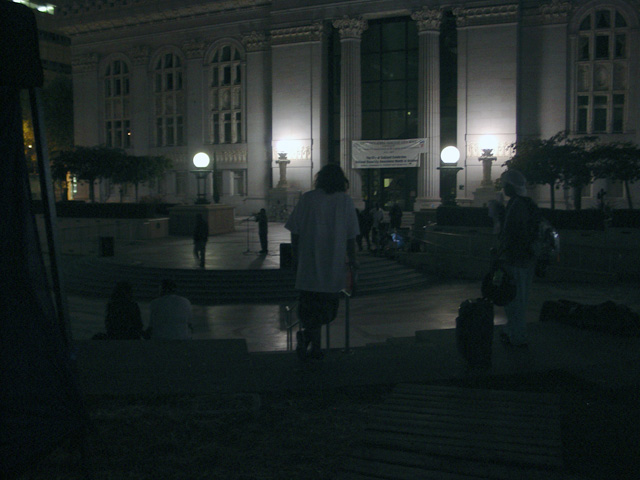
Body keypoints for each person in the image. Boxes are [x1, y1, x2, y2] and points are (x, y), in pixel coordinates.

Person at [285, 163, 360, 360]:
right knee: (327, 310)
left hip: (309, 263)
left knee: (310, 310)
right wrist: (353, 260)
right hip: (332, 264)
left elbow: (295, 232)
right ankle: (314, 345)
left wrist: (296, 257)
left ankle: (309, 339)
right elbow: (351, 237)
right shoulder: (345, 202)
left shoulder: (308, 199)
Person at [497, 169, 535, 347]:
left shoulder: (516, 205)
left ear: (511, 186)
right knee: (518, 299)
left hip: (516, 259)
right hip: (524, 259)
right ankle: (514, 332)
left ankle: (518, 336)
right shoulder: (524, 203)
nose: (503, 188)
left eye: (505, 185)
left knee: (515, 301)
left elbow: (511, 233)